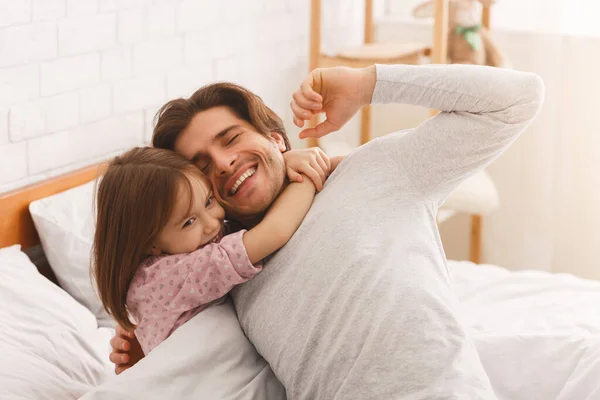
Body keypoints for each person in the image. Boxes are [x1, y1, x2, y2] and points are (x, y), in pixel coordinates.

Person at [109, 64, 544, 398]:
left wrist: (368, 83)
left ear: (276, 137)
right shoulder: (224, 271)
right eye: (202, 168)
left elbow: (518, 99)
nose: (222, 164)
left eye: (231, 138)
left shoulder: (376, 170)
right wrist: (150, 355)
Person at [93, 145, 335, 355]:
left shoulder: (191, 244)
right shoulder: (168, 277)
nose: (211, 224)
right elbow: (276, 230)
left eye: (209, 201)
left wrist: (282, 163)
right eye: (188, 222)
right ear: (150, 244)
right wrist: (304, 175)